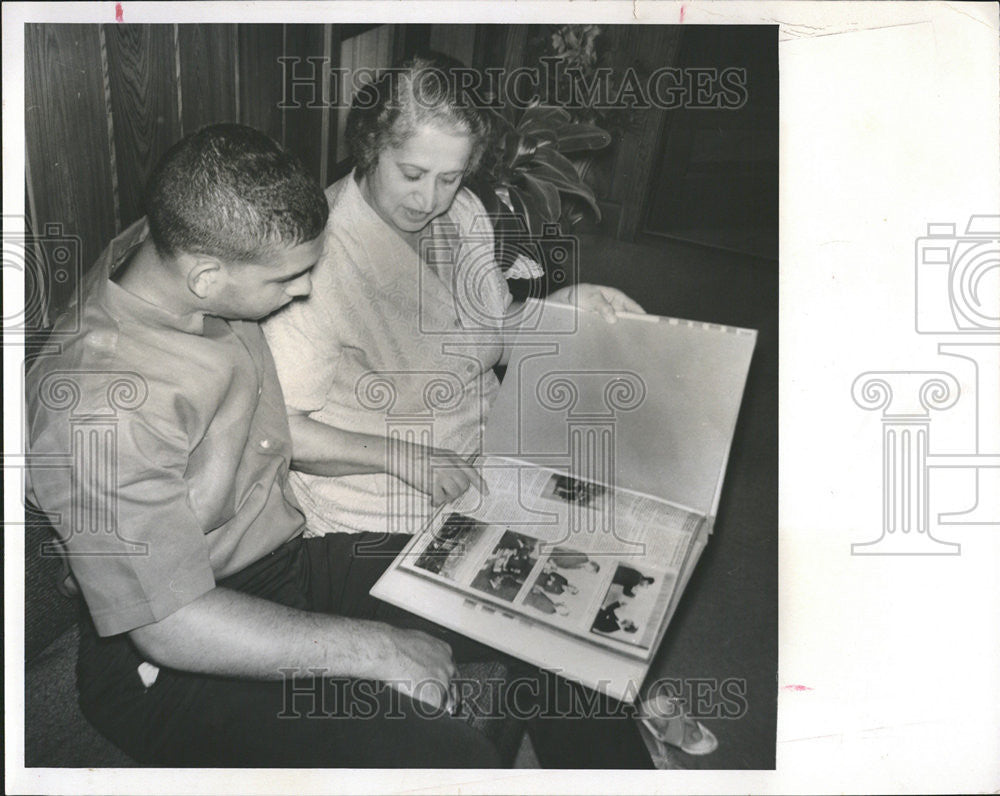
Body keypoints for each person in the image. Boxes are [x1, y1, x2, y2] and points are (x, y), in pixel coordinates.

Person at [26, 124, 519, 768]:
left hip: (284, 561)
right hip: (174, 651)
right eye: (287, 279)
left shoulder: (171, 244)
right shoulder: (101, 403)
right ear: (206, 276)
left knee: (521, 600)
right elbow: (170, 625)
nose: (305, 291)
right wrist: (377, 648)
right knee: (456, 764)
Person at [261, 52, 645, 539]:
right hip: (382, 498)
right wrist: (409, 459)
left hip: (490, 453)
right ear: (369, 148)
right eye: (412, 174)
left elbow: (494, 329)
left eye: (450, 177)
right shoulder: (315, 260)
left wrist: (562, 307)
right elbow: (283, 432)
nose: (430, 201)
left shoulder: (462, 213)